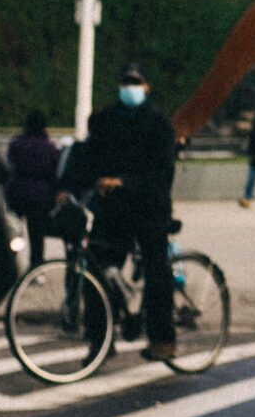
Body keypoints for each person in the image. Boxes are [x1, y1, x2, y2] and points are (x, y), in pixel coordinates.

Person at [59, 63, 180, 360]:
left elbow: (163, 173)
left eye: (136, 82)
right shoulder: (104, 120)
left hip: (149, 207)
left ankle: (163, 340)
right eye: (126, 82)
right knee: (97, 271)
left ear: (147, 87)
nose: (130, 88)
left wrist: (125, 181)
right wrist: (68, 188)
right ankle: (99, 339)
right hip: (113, 208)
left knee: (156, 271)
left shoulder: (160, 124)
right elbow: (87, 159)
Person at [4, 110, 62, 266]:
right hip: (41, 198)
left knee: (14, 233)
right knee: (37, 235)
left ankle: (10, 264)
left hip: (17, 195)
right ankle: (36, 267)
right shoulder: (51, 149)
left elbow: (9, 169)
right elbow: (55, 175)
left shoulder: (16, 144)